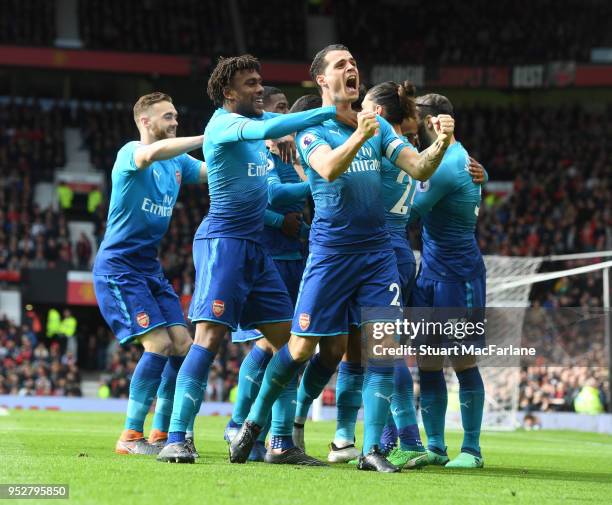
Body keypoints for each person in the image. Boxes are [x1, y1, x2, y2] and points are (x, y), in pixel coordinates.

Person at [230, 44, 454, 473]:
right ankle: (254, 422)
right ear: (321, 80)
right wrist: (360, 134)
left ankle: (370, 450)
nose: (351, 69)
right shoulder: (315, 127)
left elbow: (420, 167)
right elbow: (329, 168)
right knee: (299, 349)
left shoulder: (380, 129)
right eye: (340, 65)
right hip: (330, 255)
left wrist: (441, 144)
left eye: (354, 63)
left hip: (377, 255)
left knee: (383, 350)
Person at [157, 54, 352, 465]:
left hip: (257, 252)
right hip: (223, 242)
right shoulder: (225, 124)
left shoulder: (253, 144)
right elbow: (271, 126)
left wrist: (310, 185)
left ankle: (278, 441)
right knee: (208, 339)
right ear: (228, 92)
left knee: (291, 344)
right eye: (250, 83)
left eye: (260, 81)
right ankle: (177, 437)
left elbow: (272, 196)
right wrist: (326, 111)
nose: (259, 88)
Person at [93, 91, 207, 456]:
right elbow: (149, 155)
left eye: (176, 116)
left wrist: (252, 149)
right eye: (168, 117)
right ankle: (129, 436)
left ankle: (161, 433)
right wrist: (210, 136)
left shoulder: (177, 163)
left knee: (183, 347)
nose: (175, 122)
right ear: (146, 121)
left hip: (149, 267)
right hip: (119, 266)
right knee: (158, 344)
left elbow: (208, 172)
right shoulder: (131, 152)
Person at [224, 86, 313, 462]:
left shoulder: (293, 153)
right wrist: (321, 182)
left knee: (286, 346)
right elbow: (266, 198)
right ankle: (244, 424)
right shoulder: (265, 152)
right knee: (273, 344)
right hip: (270, 256)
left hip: (296, 256)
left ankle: (262, 432)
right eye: (275, 110)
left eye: (282, 112)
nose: (277, 117)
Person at [410, 93, 487, 469]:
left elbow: (410, 208)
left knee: (462, 361)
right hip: (431, 274)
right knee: (427, 362)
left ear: (431, 124)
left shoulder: (449, 164)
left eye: (414, 121)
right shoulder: (461, 160)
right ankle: (436, 447)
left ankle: (471, 450)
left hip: (458, 277)